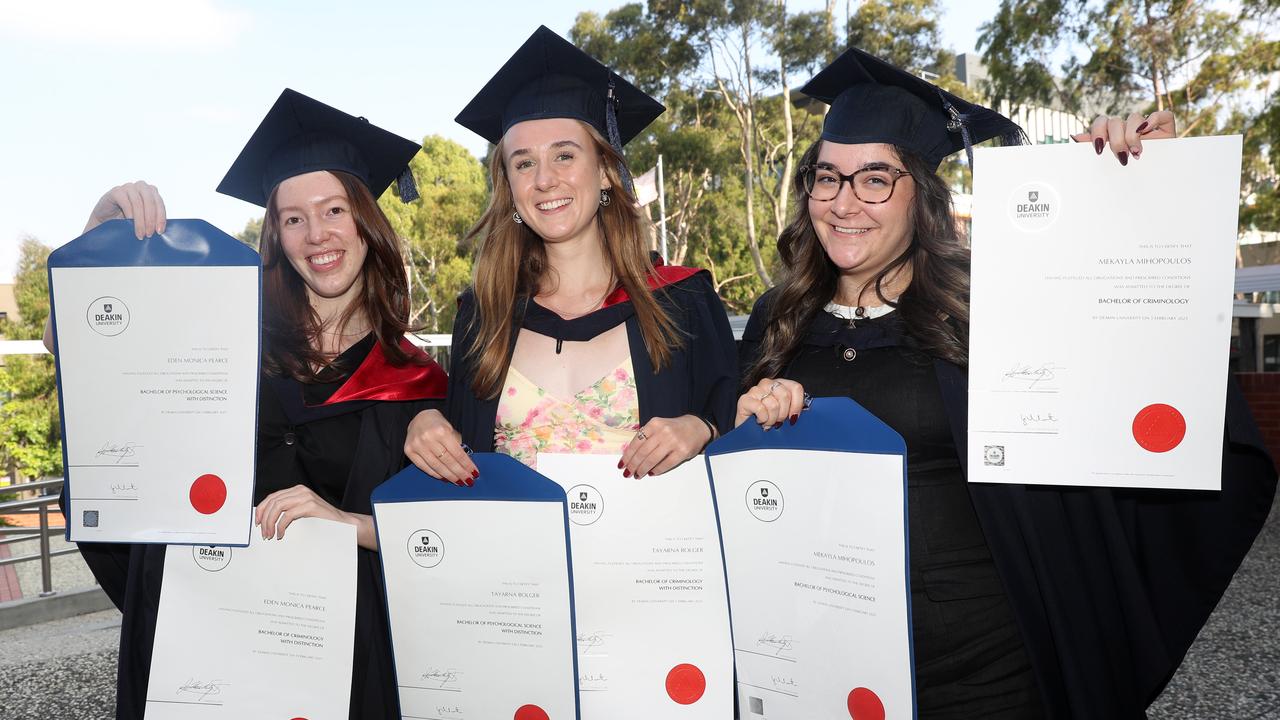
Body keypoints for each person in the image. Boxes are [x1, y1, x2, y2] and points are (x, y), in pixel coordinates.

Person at [735, 47, 1278, 719]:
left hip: (986, 673)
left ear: (921, 196)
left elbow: (1142, 364)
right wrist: (748, 424)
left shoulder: (996, 307)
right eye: (827, 178)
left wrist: (1140, 196)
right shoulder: (778, 318)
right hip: (825, 667)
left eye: (876, 178)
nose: (845, 203)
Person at [58, 90, 448, 720]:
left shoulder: (416, 382)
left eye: (334, 209)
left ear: (367, 223)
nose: (315, 233)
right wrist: (100, 236)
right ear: (276, 234)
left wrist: (348, 522)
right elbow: (87, 357)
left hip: (346, 663)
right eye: (293, 218)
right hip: (210, 638)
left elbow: (441, 546)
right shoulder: (220, 336)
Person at [404, 26, 737, 482]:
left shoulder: (683, 301)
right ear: (510, 187)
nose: (544, 180)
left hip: (648, 551)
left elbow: (739, 438)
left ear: (604, 171)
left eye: (564, 155)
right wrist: (425, 419)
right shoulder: (483, 316)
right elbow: (457, 456)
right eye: (523, 162)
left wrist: (704, 428)